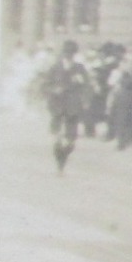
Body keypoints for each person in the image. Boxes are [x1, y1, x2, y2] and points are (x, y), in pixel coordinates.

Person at [42, 40, 93, 172]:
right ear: (63, 53)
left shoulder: (79, 68)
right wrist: (54, 89)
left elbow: (87, 85)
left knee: (71, 139)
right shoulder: (55, 68)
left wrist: (86, 100)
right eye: (67, 53)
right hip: (57, 105)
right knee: (57, 137)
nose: (69, 56)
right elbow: (45, 85)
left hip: (73, 105)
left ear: (74, 54)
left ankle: (65, 154)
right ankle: (60, 163)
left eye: (71, 53)